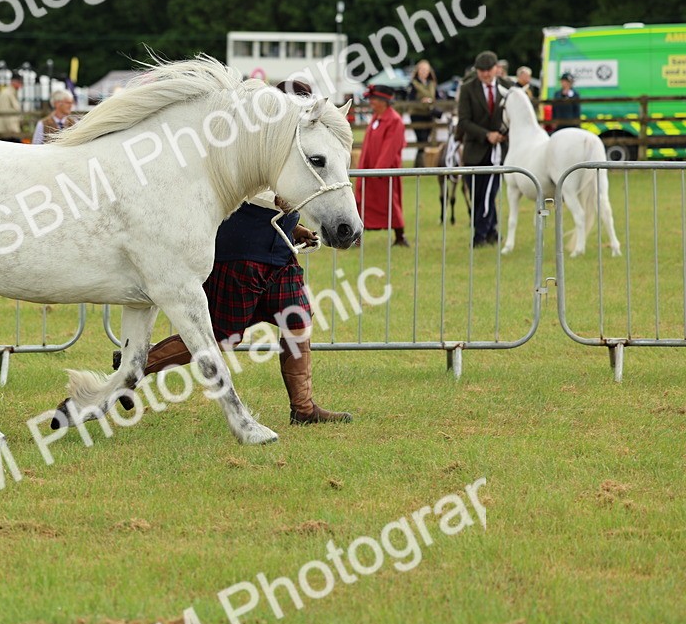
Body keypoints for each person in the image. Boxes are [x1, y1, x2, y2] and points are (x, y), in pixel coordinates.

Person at [98, 195, 352, 427]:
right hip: (240, 251)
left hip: (279, 252)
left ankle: (303, 409)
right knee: (221, 336)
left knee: (297, 319)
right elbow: (245, 183)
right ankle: (138, 363)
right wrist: (277, 200)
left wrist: (292, 226)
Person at [457, 51, 510, 248]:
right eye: (481, 71)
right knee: (478, 195)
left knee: (490, 193)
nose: (486, 74)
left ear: (497, 68)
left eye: (488, 70)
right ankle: (492, 231)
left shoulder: (508, 87)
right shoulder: (468, 89)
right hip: (474, 150)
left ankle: (479, 236)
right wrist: (487, 134)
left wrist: (502, 133)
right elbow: (463, 121)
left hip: (499, 151)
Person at [356, 85, 408, 246]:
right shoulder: (376, 118)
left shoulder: (394, 120)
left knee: (390, 203)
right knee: (360, 203)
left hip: (383, 172)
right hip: (368, 170)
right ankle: (356, 237)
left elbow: (391, 147)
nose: (371, 102)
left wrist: (379, 170)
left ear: (384, 102)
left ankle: (400, 237)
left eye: (374, 99)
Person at [407, 60, 440, 165]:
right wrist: (421, 102)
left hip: (429, 114)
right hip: (417, 114)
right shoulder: (413, 84)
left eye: (426, 70)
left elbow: (438, 97)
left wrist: (432, 102)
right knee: (421, 139)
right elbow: (409, 100)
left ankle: (420, 163)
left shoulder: (432, 84)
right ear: (418, 71)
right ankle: (420, 163)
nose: (424, 72)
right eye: (422, 70)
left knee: (425, 139)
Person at [0, 73, 23, 142]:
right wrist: (14, 132)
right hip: (6, 132)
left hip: (7, 132)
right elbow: (6, 113)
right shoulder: (7, 93)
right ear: (14, 82)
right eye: (20, 83)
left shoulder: (10, 93)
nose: (21, 86)